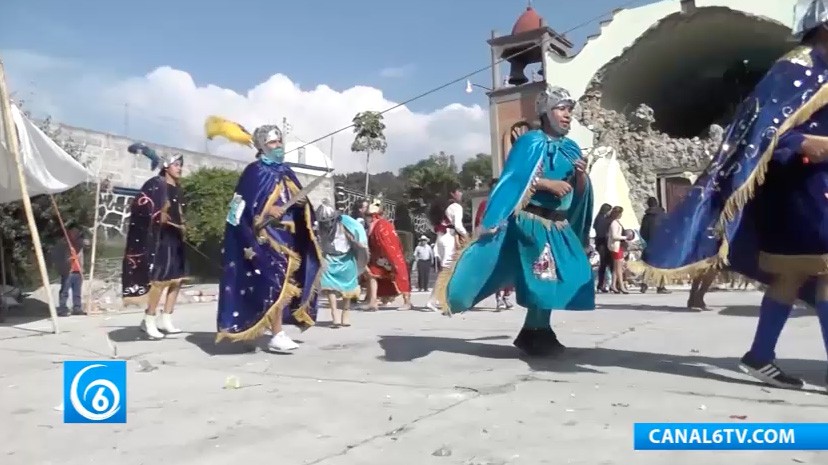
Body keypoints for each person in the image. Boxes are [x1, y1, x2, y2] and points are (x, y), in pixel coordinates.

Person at [642, 1, 828, 389]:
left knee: (792, 278)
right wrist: (803, 144)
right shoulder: (793, 69)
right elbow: (756, 135)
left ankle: (760, 356)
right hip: (798, 195)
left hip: (817, 192)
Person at [437, 84, 595, 357]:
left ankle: (535, 330)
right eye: (561, 109)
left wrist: (581, 176)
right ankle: (536, 332)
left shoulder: (571, 148)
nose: (568, 114)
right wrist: (546, 184)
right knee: (543, 276)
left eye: (570, 110)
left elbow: (578, 194)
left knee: (573, 274)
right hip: (532, 223)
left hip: (558, 225)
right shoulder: (530, 142)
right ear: (546, 112)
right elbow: (514, 181)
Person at [215, 124, 322, 352]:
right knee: (275, 283)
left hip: (289, 238)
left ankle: (270, 329)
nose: (279, 146)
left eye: (280, 141)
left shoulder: (286, 171)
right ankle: (277, 334)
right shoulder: (255, 172)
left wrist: (301, 204)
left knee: (283, 285)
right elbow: (241, 206)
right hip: (265, 238)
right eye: (273, 142)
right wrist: (266, 210)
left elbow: (296, 202)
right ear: (263, 146)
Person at [122, 144, 187, 340]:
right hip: (160, 239)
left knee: (177, 280)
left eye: (181, 165)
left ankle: (166, 318)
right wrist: (158, 216)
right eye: (176, 164)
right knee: (160, 281)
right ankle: (149, 320)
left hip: (177, 238)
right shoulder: (155, 184)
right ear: (166, 166)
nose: (179, 168)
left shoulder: (179, 188)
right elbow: (140, 206)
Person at [315, 201, 369, 328]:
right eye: (324, 222)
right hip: (329, 259)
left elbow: (357, 232)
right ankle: (334, 314)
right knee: (329, 287)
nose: (327, 224)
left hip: (346, 259)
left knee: (348, 289)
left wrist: (360, 245)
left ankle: (346, 313)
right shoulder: (318, 227)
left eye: (329, 221)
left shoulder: (345, 223)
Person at [364, 196, 412, 310]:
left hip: (390, 255)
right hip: (379, 257)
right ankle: (373, 301)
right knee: (372, 275)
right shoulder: (375, 225)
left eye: (368, 216)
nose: (367, 218)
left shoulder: (382, 226)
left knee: (400, 276)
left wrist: (392, 260)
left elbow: (388, 244)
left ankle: (407, 301)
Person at [475, 178, 514, 310]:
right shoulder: (484, 205)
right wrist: (488, 231)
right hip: (492, 241)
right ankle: (498, 297)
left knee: (510, 269)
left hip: (508, 239)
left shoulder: (509, 204)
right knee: (497, 270)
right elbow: (478, 226)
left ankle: (507, 295)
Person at [427, 186, 468, 312]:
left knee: (447, 270)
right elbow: (458, 225)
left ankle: (441, 298)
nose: (461, 193)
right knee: (446, 270)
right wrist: (467, 236)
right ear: (453, 193)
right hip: (449, 238)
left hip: (441, 238)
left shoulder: (444, 208)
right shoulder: (456, 207)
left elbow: (431, 224)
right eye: (459, 191)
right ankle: (432, 300)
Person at [53, 223, 89, 316]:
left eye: (77, 232)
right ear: (69, 232)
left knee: (77, 292)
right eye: (73, 231)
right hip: (68, 271)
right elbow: (60, 256)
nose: (75, 233)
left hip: (78, 270)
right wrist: (68, 260)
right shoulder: (64, 242)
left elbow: (87, 244)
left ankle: (77, 308)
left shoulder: (79, 243)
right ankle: (62, 309)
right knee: (64, 291)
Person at [638, 197, 670, 294]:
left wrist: (648, 239)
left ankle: (644, 284)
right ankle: (660, 286)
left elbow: (642, 231)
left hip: (650, 243)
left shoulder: (646, 217)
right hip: (661, 243)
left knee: (648, 264)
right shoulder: (663, 215)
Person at [606, 206, 631, 294]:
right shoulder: (614, 223)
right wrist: (625, 237)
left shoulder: (616, 222)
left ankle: (613, 284)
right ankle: (621, 285)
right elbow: (614, 236)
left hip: (618, 246)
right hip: (616, 247)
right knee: (619, 268)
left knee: (616, 267)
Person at [592, 203, 612, 292]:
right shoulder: (602, 219)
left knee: (604, 265)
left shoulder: (599, 218)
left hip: (601, 244)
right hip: (603, 244)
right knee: (603, 265)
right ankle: (601, 285)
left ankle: (603, 284)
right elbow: (602, 232)